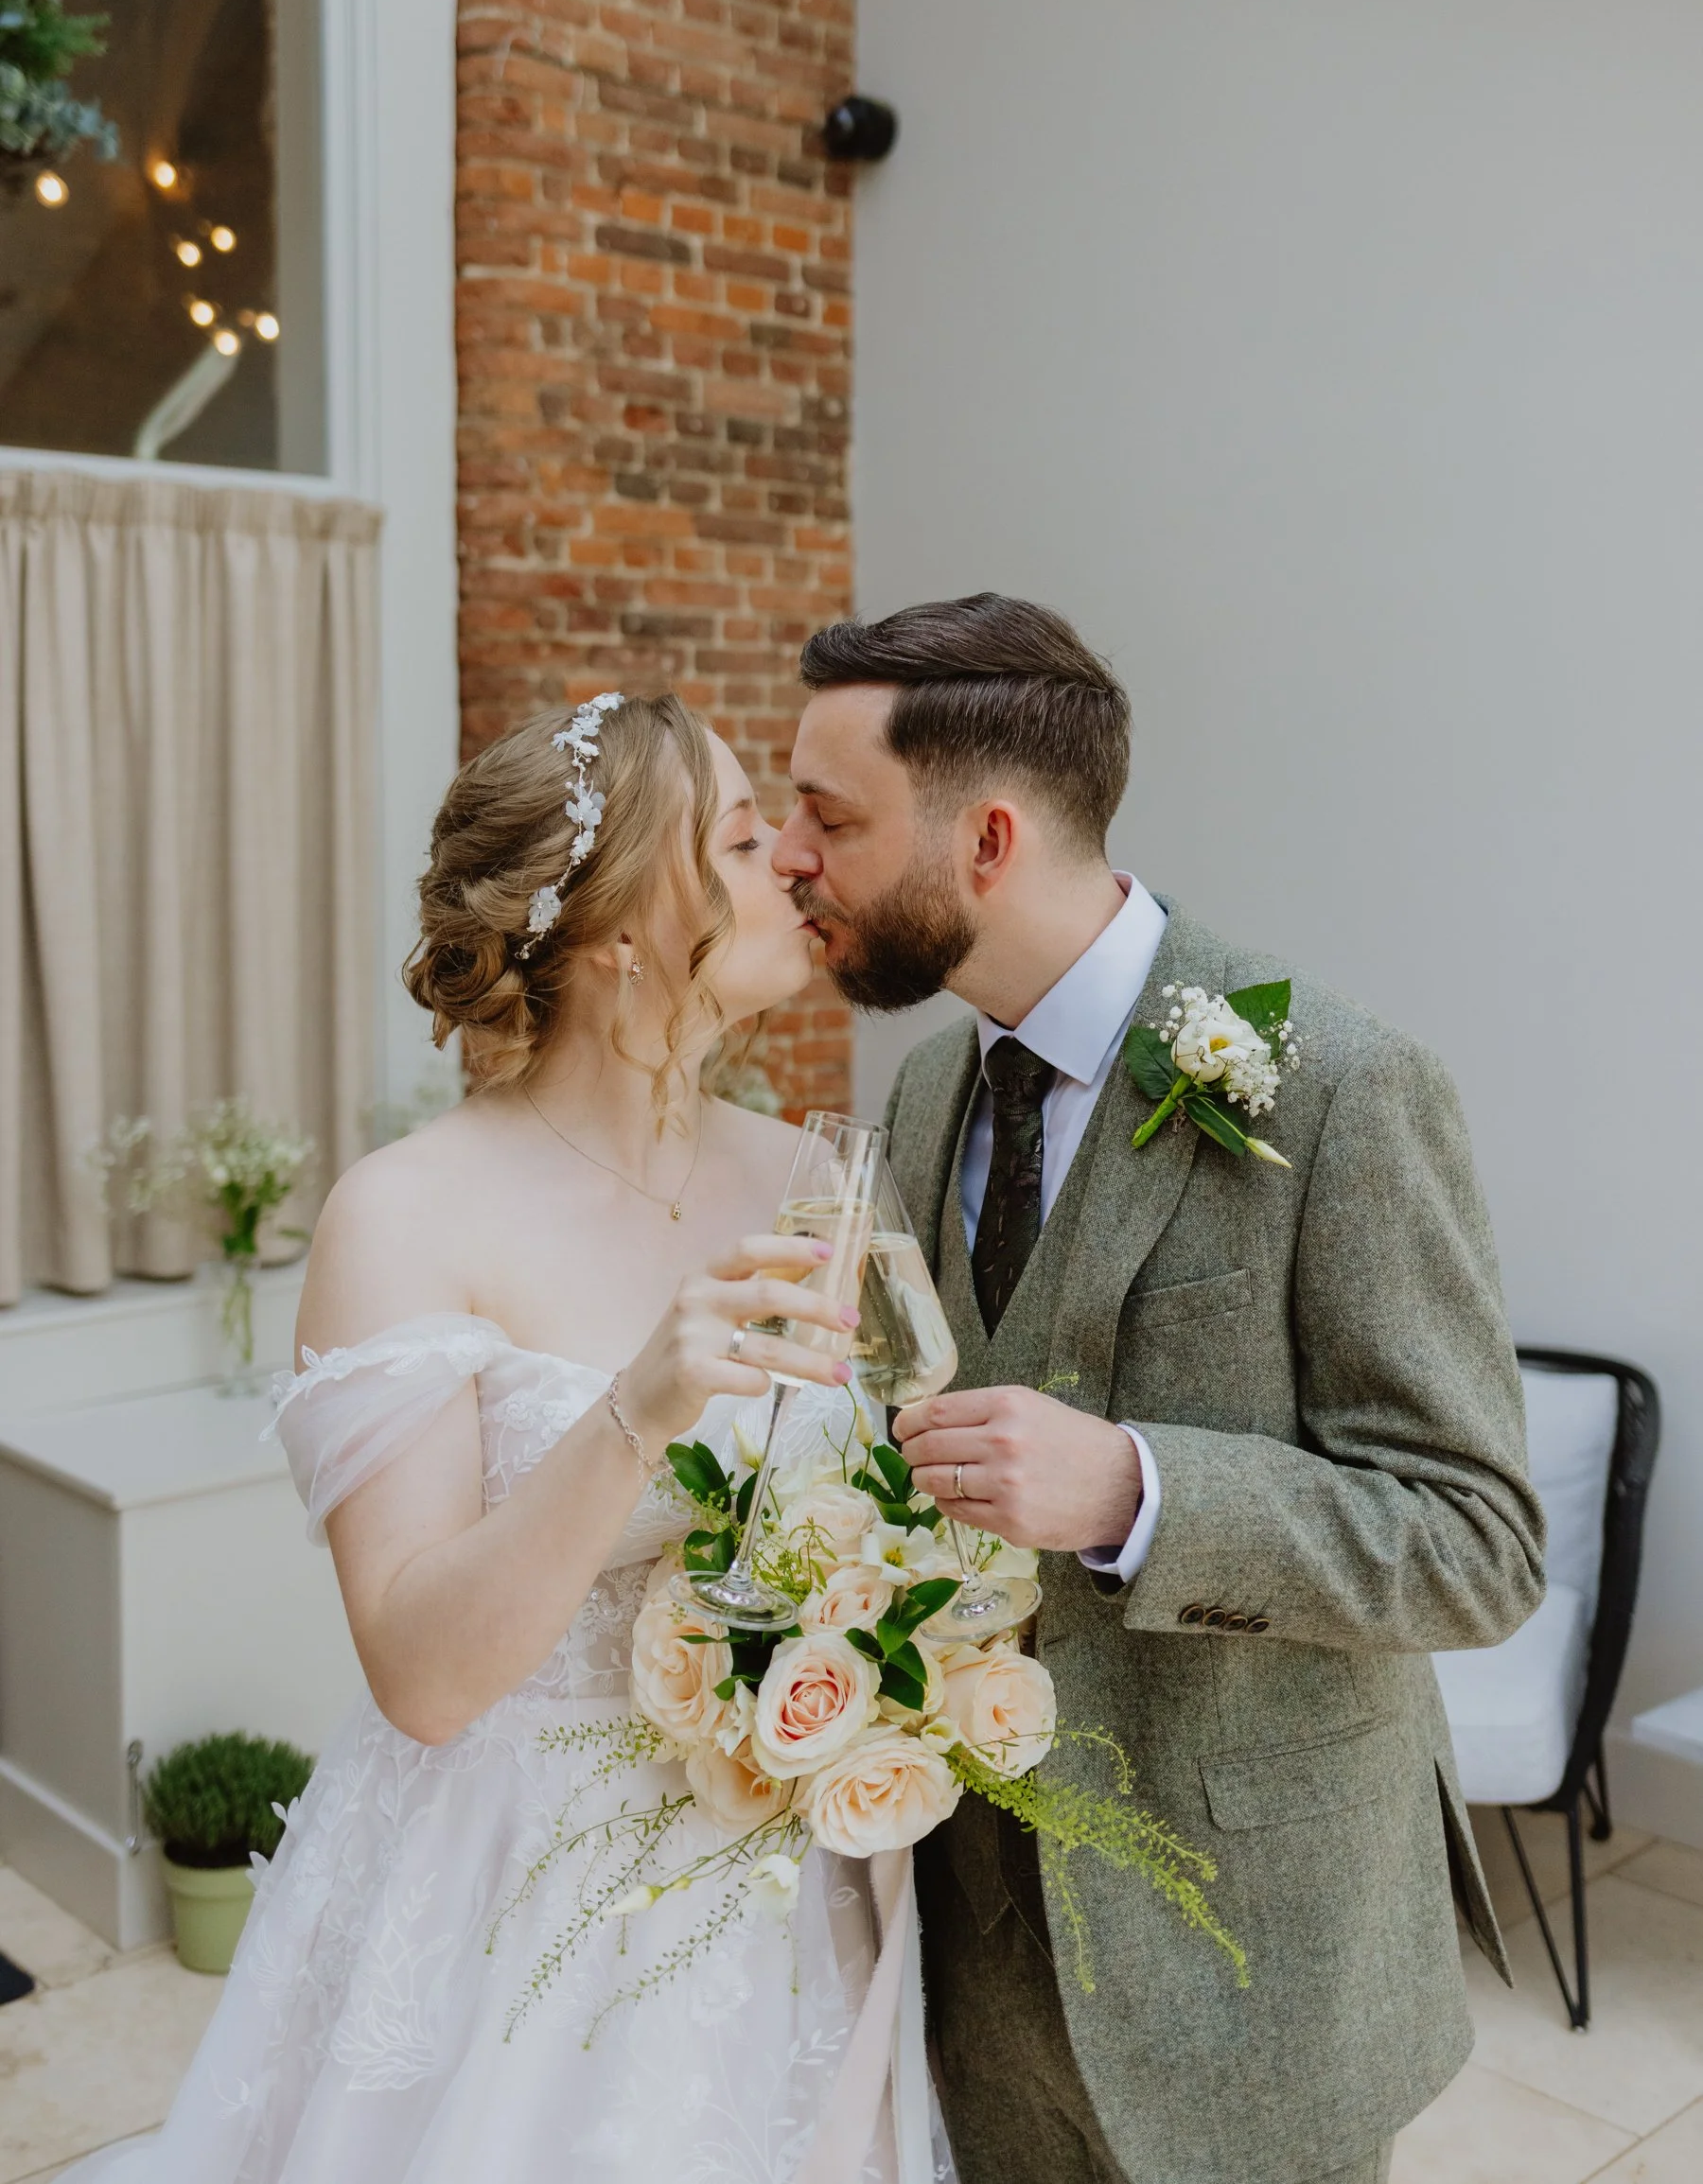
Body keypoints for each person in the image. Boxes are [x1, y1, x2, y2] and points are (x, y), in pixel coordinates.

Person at [67, 690, 941, 2184]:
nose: (793, 862)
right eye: (740, 840)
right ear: (617, 937)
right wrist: (635, 1414)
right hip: (510, 1894)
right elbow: (417, 1668)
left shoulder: (819, 1176)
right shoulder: (406, 1214)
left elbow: (890, 1502)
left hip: (790, 1892)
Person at [772, 593, 1546, 2184]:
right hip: (975, 1959)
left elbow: (1477, 1542)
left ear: (986, 838)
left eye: (829, 817)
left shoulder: (1342, 1086)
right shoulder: (922, 1093)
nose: (792, 856)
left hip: (1249, 1969)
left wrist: (1140, 1490)